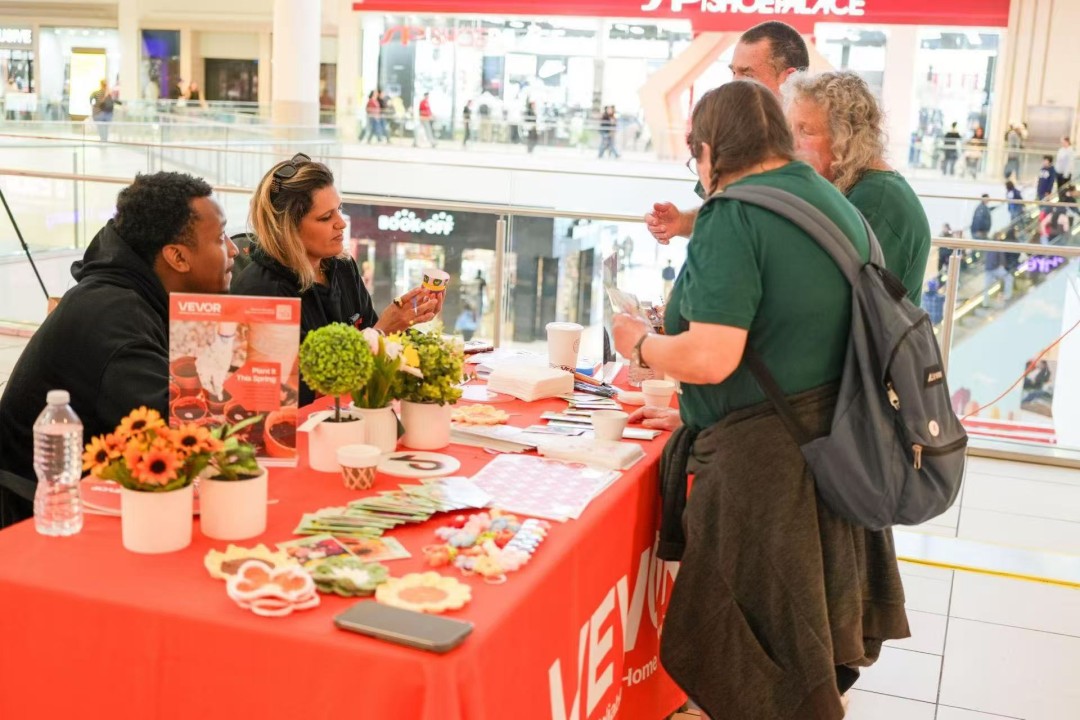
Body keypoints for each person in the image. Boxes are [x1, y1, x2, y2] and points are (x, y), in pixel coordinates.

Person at [613, 81, 907, 717]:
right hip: (833, 448)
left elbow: (711, 356)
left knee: (757, 661)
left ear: (710, 149)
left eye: (694, 155)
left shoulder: (733, 214)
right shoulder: (829, 199)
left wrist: (640, 343)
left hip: (765, 470)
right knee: (800, 653)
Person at [0, 172, 236, 528]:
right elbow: (181, 426)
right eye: (220, 237)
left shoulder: (134, 295)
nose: (234, 249)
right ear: (176, 256)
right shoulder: (115, 317)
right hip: (43, 517)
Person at [232, 155, 440, 405]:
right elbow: (298, 389)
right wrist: (383, 331)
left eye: (339, 210)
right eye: (325, 217)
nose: (341, 223)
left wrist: (406, 321)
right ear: (287, 228)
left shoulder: (341, 266)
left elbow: (372, 336)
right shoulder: (261, 291)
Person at [645, 20, 809, 243]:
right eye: (733, 72)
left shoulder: (817, 145)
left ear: (789, 78)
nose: (735, 83)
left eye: (748, 74)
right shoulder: (734, 130)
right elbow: (722, 212)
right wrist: (682, 222)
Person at [784, 71, 932, 305]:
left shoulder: (877, 202)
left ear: (846, 137)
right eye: (790, 129)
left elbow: (836, 302)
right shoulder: (854, 188)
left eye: (806, 131)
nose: (790, 144)